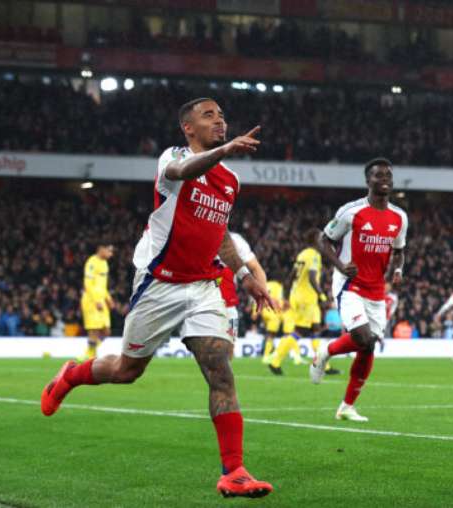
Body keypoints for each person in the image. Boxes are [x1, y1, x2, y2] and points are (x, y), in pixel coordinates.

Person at [40, 97, 276, 498]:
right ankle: (71, 375)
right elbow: (181, 171)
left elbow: (220, 231)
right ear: (188, 127)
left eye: (221, 116)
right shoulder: (175, 157)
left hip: (203, 285)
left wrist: (242, 273)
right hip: (160, 283)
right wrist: (224, 149)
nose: (219, 121)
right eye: (209, 116)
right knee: (127, 371)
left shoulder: (230, 181)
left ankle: (233, 471)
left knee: (220, 368)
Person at [311, 157, 408, 422]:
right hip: (349, 285)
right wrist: (341, 266)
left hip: (376, 289)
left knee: (368, 347)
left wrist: (398, 270)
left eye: (388, 175)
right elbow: (323, 239)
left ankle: (346, 407)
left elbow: (399, 250)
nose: (385, 179)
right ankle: (325, 353)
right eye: (379, 175)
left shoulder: (400, 217)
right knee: (363, 337)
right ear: (368, 181)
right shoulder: (351, 212)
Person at [284, 228, 339, 375]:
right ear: (315, 240)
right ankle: (275, 360)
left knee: (315, 329)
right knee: (300, 331)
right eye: (321, 238)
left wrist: (286, 295)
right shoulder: (314, 255)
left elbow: (291, 276)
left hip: (302, 297)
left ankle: (323, 366)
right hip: (306, 298)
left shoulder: (302, 254)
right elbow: (312, 278)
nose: (323, 241)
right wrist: (322, 296)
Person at [218, 231, 266, 339]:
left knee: (228, 346)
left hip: (228, 303)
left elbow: (256, 269)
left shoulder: (236, 241)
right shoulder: (198, 236)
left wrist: (261, 298)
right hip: (202, 301)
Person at [79, 241, 115, 360]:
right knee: (94, 330)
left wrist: (108, 298)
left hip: (101, 300)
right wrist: (96, 301)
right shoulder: (91, 262)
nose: (111, 254)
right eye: (109, 250)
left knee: (106, 331)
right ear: (101, 248)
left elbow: (102, 286)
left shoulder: (104, 263)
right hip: (91, 300)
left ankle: (88, 351)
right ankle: (90, 355)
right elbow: (88, 284)